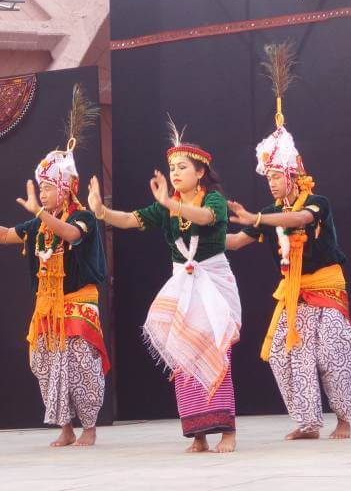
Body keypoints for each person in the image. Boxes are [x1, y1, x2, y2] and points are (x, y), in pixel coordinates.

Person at [226, 43, 351, 440]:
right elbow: (236, 242)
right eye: (267, 177)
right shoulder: (266, 212)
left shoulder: (316, 201)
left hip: (325, 286)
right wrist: (205, 232)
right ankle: (307, 421)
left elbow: (301, 219)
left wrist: (258, 218)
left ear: (294, 174)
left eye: (276, 175)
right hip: (293, 292)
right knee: (287, 356)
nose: (270, 181)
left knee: (333, 352)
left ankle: (344, 418)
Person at [0, 88, 109, 447]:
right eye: (40, 189)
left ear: (65, 188)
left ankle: (89, 426)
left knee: (79, 363)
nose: (42, 194)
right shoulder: (39, 226)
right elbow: (4, 236)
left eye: (48, 188)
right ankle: (65, 427)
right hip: (47, 306)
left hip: (78, 302)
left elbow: (73, 235)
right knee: (46, 363)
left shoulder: (82, 217)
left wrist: (40, 212)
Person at [86, 118, 241, 453]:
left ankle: (227, 431)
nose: (175, 173)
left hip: (212, 283)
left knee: (216, 352)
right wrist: (100, 211)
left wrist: (171, 204)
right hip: (182, 286)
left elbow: (206, 219)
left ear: (200, 172)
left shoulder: (212, 199)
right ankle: (198, 433)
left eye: (182, 167)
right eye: (172, 167)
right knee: (184, 356)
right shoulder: (166, 206)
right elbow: (130, 219)